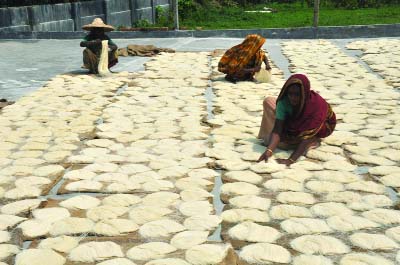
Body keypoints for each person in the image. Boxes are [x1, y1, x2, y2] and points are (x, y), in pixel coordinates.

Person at [257, 74, 336, 165]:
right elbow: (278, 129)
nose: (293, 98)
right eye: (290, 94)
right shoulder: (284, 102)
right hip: (294, 120)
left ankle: (313, 140)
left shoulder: (315, 105)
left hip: (322, 126)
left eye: (297, 94)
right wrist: (269, 150)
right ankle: (295, 138)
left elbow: (307, 136)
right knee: (268, 101)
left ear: (304, 93)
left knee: (293, 142)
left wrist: (291, 160)